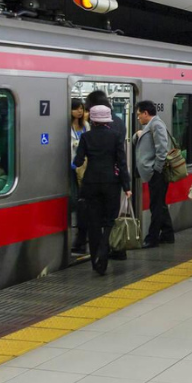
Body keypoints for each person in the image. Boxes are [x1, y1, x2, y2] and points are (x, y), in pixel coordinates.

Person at [72, 105, 131, 275]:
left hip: (90, 183)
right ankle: (104, 253)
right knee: (110, 221)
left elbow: (78, 161)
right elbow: (121, 163)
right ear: (107, 120)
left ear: (92, 120)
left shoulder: (86, 137)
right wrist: (126, 187)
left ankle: (96, 263)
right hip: (111, 183)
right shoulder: (116, 136)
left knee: (94, 223)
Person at [85, 90, 128, 260]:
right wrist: (126, 184)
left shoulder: (91, 132)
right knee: (112, 217)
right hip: (113, 179)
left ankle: (100, 252)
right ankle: (116, 248)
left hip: (94, 180)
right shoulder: (119, 123)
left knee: (97, 218)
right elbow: (121, 159)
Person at [134, 100, 174, 247]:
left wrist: (156, 169)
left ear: (146, 113)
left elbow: (162, 149)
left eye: (139, 114)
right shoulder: (151, 125)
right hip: (155, 172)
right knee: (160, 203)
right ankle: (168, 233)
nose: (138, 117)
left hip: (158, 173)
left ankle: (152, 237)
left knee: (155, 206)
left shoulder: (156, 124)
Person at [70, 98, 90, 253]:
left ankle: (81, 236)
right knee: (74, 199)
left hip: (84, 168)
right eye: (76, 108)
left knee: (82, 201)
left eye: (81, 108)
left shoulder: (86, 126)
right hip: (71, 167)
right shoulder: (66, 128)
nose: (79, 111)